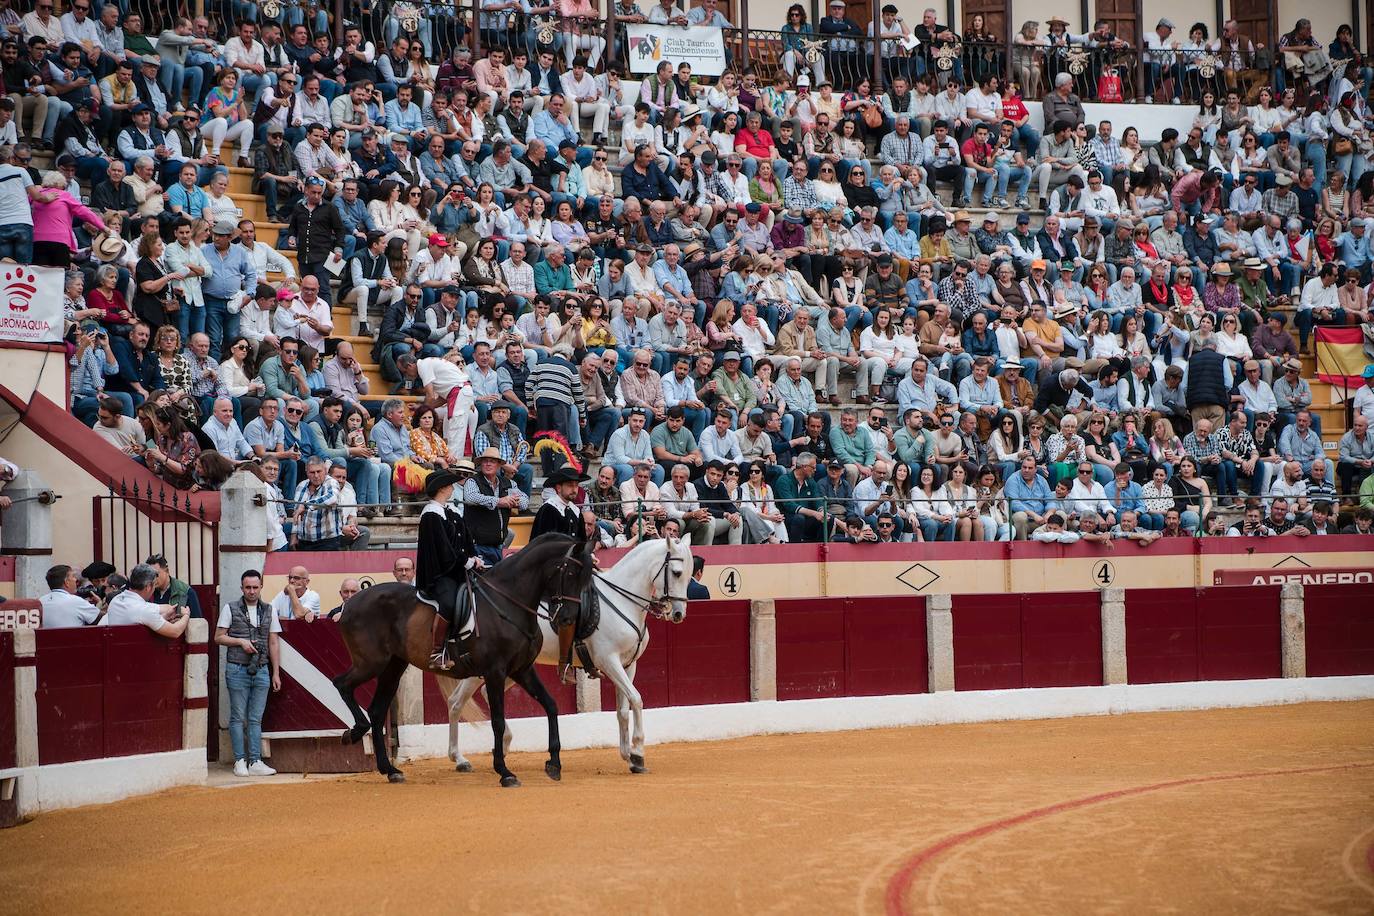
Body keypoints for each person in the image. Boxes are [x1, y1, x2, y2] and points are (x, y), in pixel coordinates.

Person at [215, 569, 281, 778]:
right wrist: (240, 641)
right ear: (241, 588)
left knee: (255, 718)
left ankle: (255, 761)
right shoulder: (230, 608)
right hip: (237, 667)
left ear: (261, 587)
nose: (251, 591)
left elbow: (273, 642)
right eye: (248, 587)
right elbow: (218, 637)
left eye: (255, 587)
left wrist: (275, 673)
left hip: (261, 668)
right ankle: (240, 760)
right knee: (237, 717)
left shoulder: (269, 609)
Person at [417, 468, 483, 670]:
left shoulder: (450, 512)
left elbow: (465, 537)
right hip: (440, 573)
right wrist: (468, 562)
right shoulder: (431, 514)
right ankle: (437, 651)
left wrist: (475, 557)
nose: (452, 487)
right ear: (443, 488)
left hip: (457, 568)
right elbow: (445, 550)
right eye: (450, 484)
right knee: (449, 602)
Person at [531, 466, 587, 681]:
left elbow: (581, 542)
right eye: (570, 485)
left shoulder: (575, 510)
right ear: (558, 487)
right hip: (550, 569)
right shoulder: (549, 509)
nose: (574, 489)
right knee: (568, 606)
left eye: (576, 485)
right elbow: (540, 544)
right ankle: (564, 662)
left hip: (572, 570)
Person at [103, 563, 190, 638]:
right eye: (154, 585)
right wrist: (186, 615)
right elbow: (175, 632)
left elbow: (156, 611)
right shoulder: (144, 610)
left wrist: (166, 616)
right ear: (148, 587)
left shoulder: (116, 600)